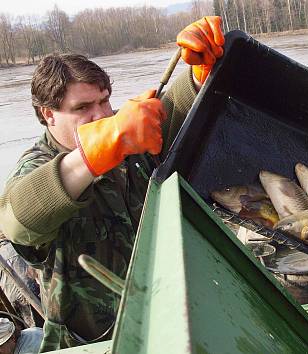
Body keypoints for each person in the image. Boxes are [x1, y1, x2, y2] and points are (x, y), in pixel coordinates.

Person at [0, 16, 225, 351]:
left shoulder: (121, 134)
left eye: (104, 100)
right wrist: (98, 151)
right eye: (83, 107)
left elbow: (168, 113)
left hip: (165, 310)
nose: (101, 115)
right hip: (94, 342)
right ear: (49, 114)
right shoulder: (37, 164)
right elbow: (19, 220)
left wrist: (197, 74)